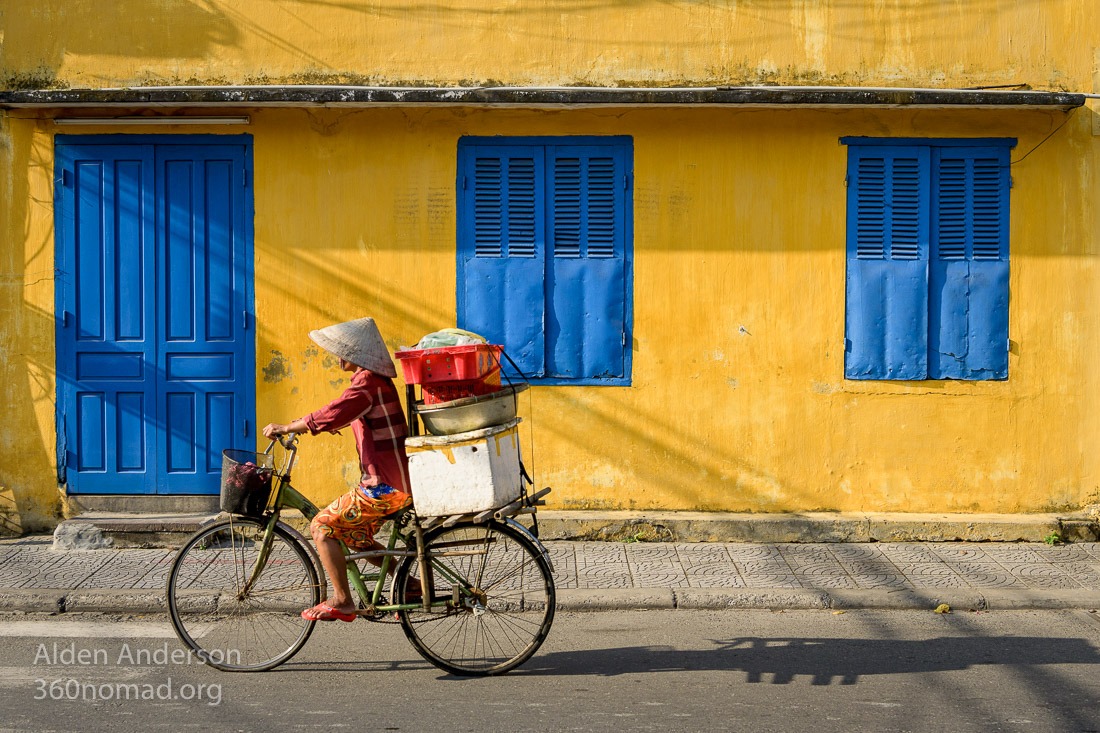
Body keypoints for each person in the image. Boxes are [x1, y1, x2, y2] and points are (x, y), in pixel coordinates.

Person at [262, 316, 413, 622]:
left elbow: (333, 412)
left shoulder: (367, 384)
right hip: (391, 482)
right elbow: (345, 413)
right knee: (353, 535)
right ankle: (408, 583)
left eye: (343, 352)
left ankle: (343, 600)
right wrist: (328, 424)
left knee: (321, 527)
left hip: (384, 487)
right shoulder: (370, 383)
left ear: (356, 355)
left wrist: (289, 426)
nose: (339, 357)